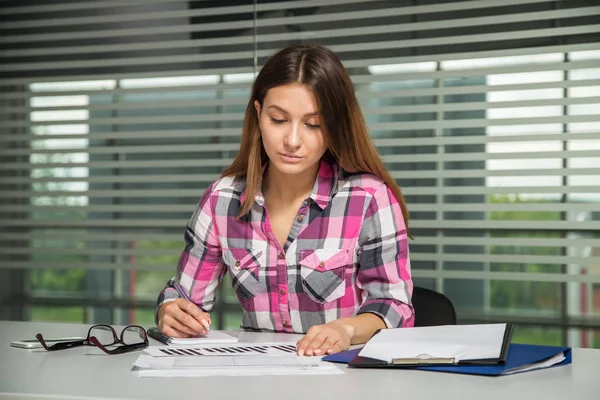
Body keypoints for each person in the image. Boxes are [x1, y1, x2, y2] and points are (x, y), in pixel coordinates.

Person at [156, 44, 414, 357]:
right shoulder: (221, 201)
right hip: (255, 372)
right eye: (278, 120)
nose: (292, 140)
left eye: (313, 124)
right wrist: (171, 310)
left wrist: (346, 329)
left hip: (341, 376)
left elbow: (394, 306)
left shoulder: (368, 198)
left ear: (334, 127)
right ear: (258, 114)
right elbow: (186, 298)